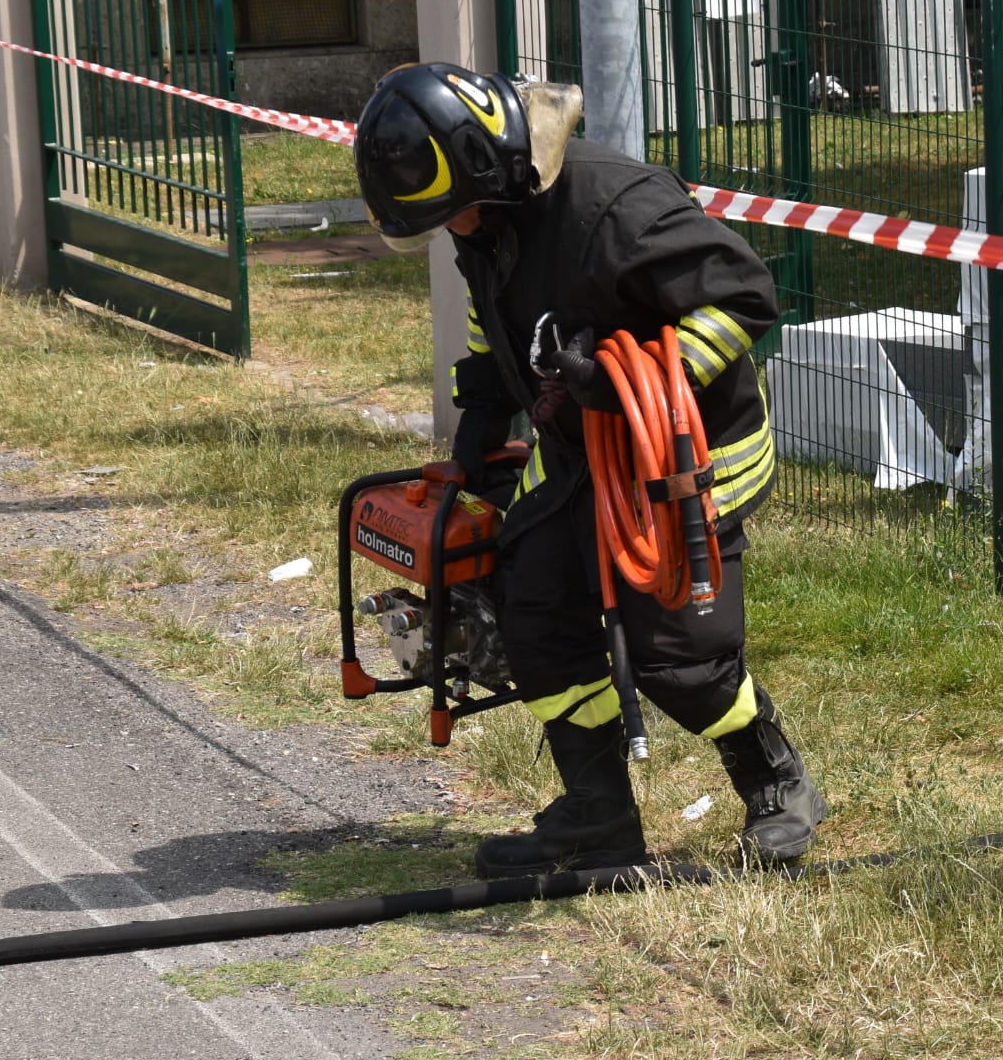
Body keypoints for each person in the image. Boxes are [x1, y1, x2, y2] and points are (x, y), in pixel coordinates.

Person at [351, 62, 826, 875]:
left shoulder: (616, 209)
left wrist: (631, 376)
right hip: (578, 453)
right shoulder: (489, 219)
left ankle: (776, 777)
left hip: (686, 454)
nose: (455, 232)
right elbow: (491, 322)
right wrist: (478, 443)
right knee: (534, 606)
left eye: (455, 214)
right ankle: (598, 814)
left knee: (677, 659)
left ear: (490, 168)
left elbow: (747, 298)